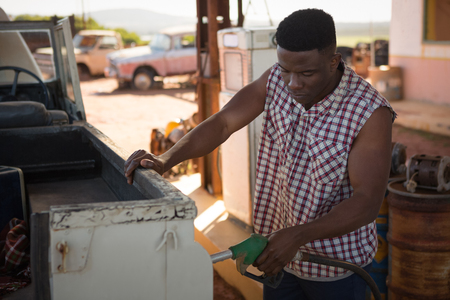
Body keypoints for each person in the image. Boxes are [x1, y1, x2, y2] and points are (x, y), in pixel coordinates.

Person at [124, 8, 395, 300]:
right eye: (285, 69)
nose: (292, 83)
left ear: (333, 61)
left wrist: (298, 235)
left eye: (306, 73)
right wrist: (166, 160)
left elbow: (367, 202)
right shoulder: (276, 80)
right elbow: (223, 122)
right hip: (276, 256)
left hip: (335, 269)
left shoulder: (369, 113)